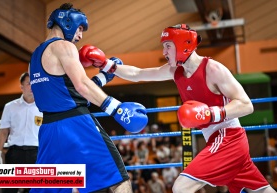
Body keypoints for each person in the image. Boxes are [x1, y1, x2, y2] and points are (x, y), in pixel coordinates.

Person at [80, 24, 277, 193]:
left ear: (183, 45)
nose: (164, 52)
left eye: (167, 46)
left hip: (228, 138)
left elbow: (246, 104)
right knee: (261, 189)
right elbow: (139, 73)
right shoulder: (176, 71)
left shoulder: (213, 69)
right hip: (216, 139)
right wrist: (107, 65)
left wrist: (211, 113)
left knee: (181, 187)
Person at [29, 3, 148, 193]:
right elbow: (81, 86)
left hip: (49, 130)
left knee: (53, 188)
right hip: (77, 124)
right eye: (80, 28)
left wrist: (102, 78)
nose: (80, 35)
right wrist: (115, 108)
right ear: (67, 22)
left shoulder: (35, 56)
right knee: (117, 179)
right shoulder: (64, 46)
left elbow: (61, 92)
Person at [0, 72, 43, 193]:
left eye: (34, 83)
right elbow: (3, 131)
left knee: (35, 189)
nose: (32, 86)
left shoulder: (43, 107)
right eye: (28, 83)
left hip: (36, 153)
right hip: (15, 153)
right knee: (8, 190)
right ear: (21, 86)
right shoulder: (10, 106)